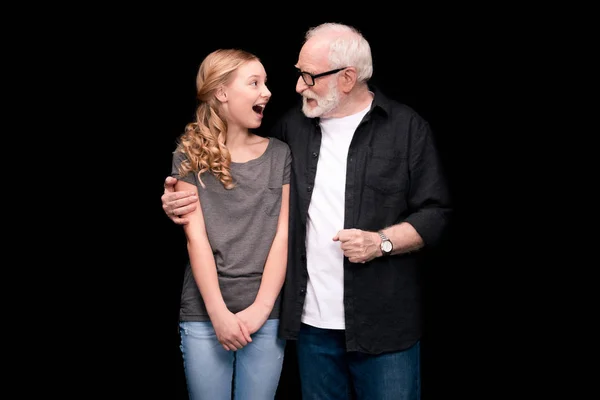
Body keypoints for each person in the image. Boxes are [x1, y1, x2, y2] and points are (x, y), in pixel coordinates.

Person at [162, 23, 451, 400]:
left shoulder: (406, 128)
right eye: (299, 75)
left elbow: (437, 212)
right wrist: (175, 203)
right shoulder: (291, 127)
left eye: (308, 76)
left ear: (347, 78)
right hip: (310, 327)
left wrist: (382, 241)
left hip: (384, 324)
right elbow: (232, 180)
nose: (297, 86)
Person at [168, 48, 291, 400]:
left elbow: (283, 235)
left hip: (265, 318)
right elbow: (197, 240)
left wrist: (261, 310)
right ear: (222, 92)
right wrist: (219, 315)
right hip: (204, 315)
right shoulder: (188, 155)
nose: (266, 92)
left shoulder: (280, 154)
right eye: (254, 82)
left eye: (266, 83)